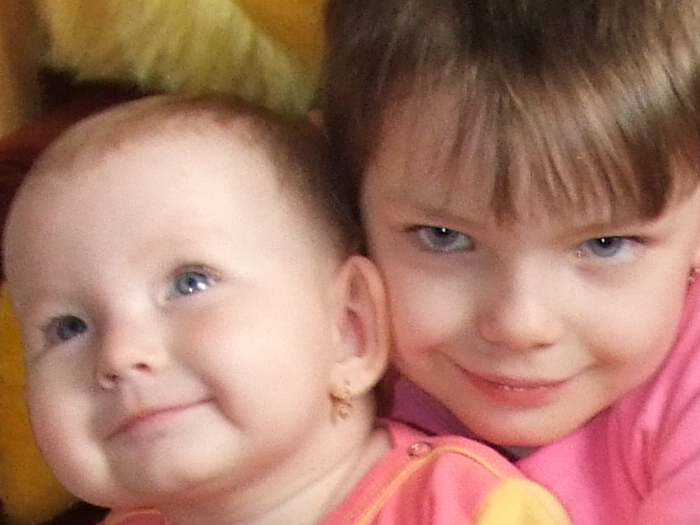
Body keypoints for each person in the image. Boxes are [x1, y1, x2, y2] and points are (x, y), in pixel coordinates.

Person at [2, 94, 571, 525]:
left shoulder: (463, 509)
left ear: (348, 328)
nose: (119, 354)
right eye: (67, 327)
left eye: (190, 283)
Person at [322, 0, 700, 523]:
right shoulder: (325, 355)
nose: (520, 326)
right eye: (444, 237)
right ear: (345, 206)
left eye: (604, 244)